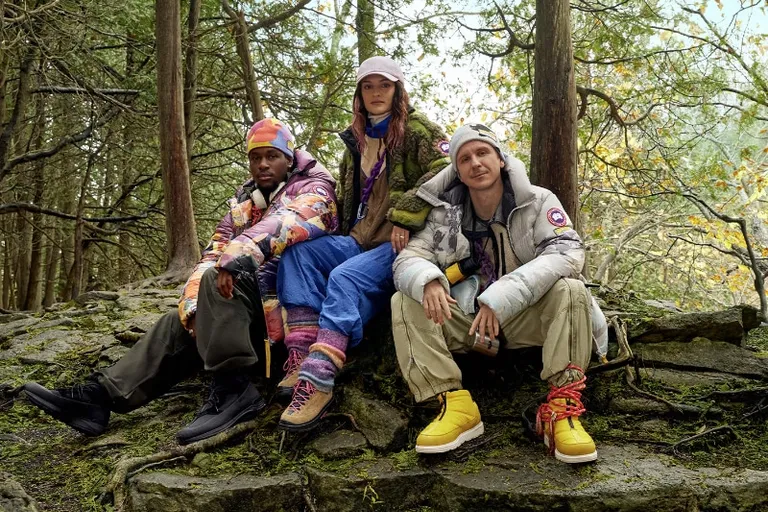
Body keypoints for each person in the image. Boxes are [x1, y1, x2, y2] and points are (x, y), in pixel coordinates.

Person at [23, 119, 338, 444]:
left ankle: (234, 391)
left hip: (285, 325)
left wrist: (238, 254)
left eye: (271, 155)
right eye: (255, 157)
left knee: (219, 280)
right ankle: (100, 398)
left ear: (289, 157)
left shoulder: (315, 187)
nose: (262, 164)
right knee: (175, 322)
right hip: (243, 319)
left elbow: (291, 220)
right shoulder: (246, 202)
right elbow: (212, 252)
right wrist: (194, 308)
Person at [391, 122, 606, 463]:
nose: (475, 163)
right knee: (405, 298)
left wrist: (500, 297)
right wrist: (428, 279)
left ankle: (562, 410)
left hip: (526, 318)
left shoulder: (537, 201)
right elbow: (409, 258)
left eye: (483, 153)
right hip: (467, 320)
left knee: (571, 289)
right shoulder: (443, 214)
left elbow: (567, 252)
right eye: (465, 159)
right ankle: (454, 406)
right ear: (457, 172)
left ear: (501, 159)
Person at [275, 56, 451, 431]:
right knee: (297, 254)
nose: (376, 93)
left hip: (402, 246)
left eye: (384, 85)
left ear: (398, 90)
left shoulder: (418, 129)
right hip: (357, 239)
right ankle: (301, 351)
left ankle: (319, 377)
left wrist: (406, 215)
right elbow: (347, 199)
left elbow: (447, 169)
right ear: (359, 94)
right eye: (368, 86)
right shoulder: (355, 139)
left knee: (344, 277)